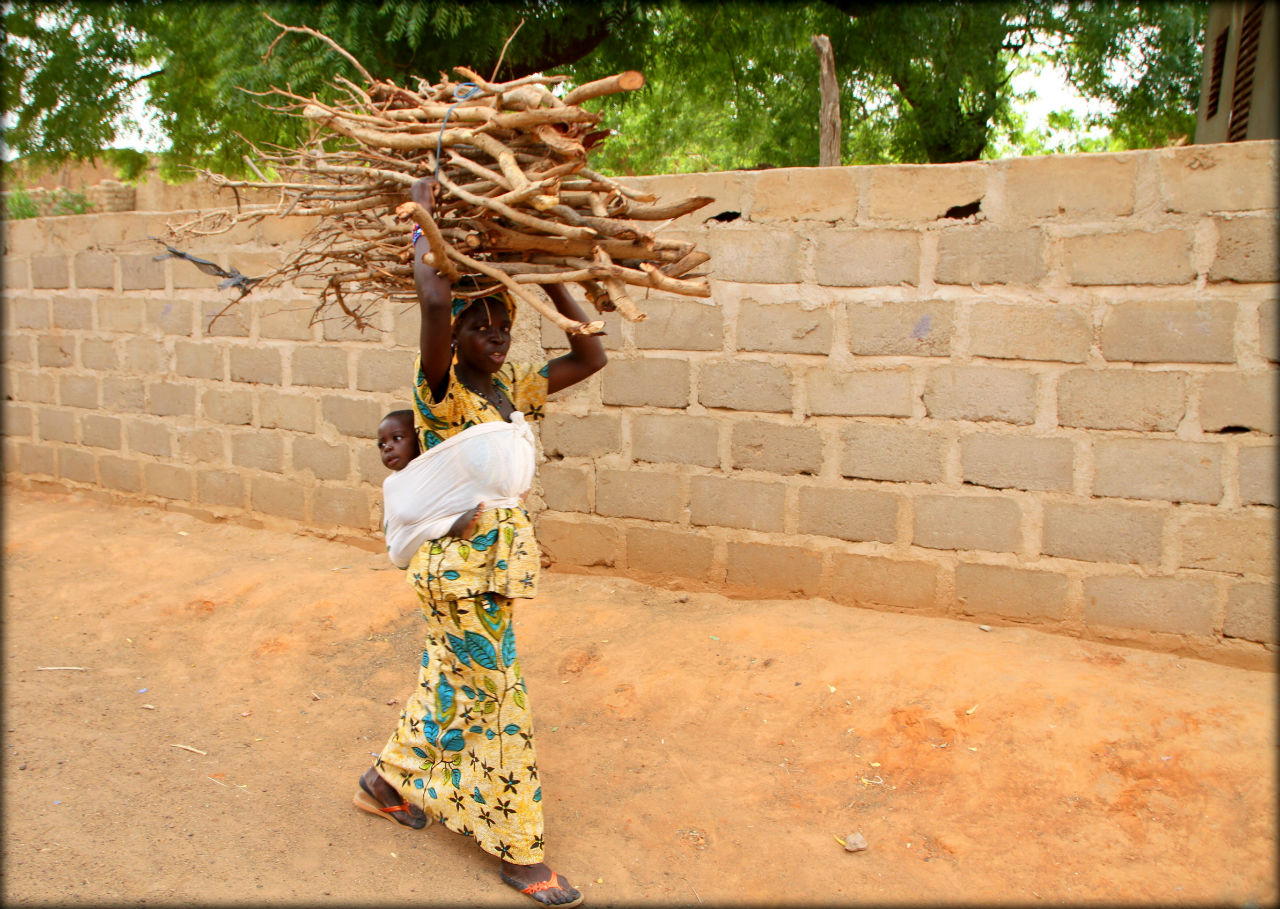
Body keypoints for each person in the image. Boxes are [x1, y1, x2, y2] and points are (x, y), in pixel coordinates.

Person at [355, 176, 606, 908]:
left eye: (502, 322)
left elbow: (591, 358)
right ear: (455, 335)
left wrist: (558, 279)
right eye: (480, 323)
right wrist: (423, 218)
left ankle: (385, 782)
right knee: (500, 699)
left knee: (450, 678)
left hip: (486, 569)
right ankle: (522, 854)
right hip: (461, 569)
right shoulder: (442, 395)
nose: (495, 333)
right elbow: (433, 299)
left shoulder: (512, 391)